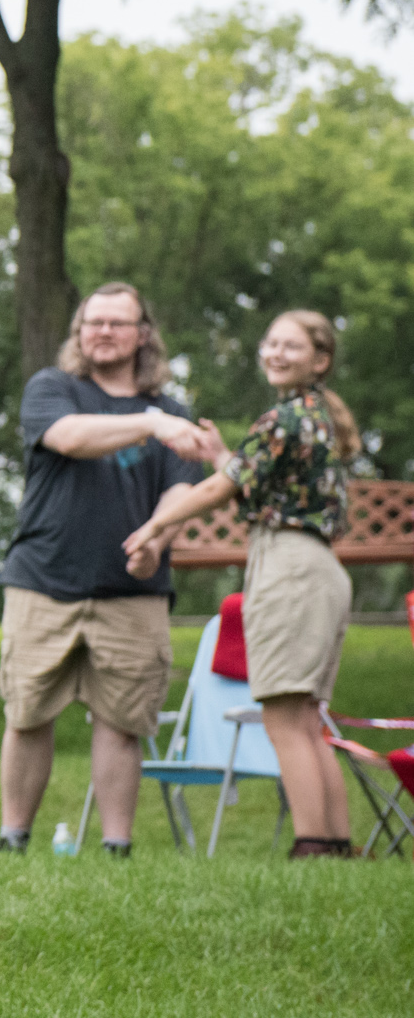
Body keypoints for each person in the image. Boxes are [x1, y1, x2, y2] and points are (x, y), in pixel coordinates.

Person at [122, 310, 360, 857]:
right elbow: (252, 483)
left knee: (283, 718)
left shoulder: (283, 418)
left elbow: (220, 491)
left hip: (289, 569)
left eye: (291, 346)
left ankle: (312, 845)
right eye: (271, 343)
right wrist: (218, 455)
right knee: (305, 718)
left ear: (320, 359)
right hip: (320, 569)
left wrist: (156, 526)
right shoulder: (315, 417)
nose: (275, 353)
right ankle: (335, 846)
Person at [0, 282, 212, 857]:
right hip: (43, 581)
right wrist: (150, 424)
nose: (104, 332)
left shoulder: (175, 413)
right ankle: (13, 838)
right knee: (27, 714)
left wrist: (155, 538)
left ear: (143, 334)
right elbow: (69, 438)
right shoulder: (53, 388)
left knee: (122, 723)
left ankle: (118, 847)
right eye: (93, 322)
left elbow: (181, 492)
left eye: (118, 322)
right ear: (79, 331)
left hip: (132, 592)